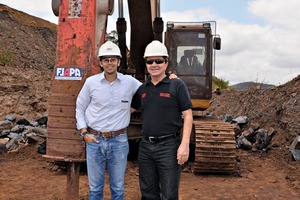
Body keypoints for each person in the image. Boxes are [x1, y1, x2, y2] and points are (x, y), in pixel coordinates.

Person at [75, 41, 142, 200]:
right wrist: (84, 132)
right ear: (101, 63)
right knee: (95, 189)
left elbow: (148, 91)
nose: (110, 63)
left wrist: (170, 78)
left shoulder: (129, 82)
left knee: (118, 188)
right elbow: (80, 107)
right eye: (106, 59)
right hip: (94, 141)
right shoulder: (91, 83)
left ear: (119, 62)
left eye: (113, 59)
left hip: (119, 141)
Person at [131, 40, 193, 200]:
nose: (154, 64)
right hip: (145, 147)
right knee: (148, 193)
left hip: (169, 147)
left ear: (166, 63)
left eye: (158, 61)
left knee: (169, 195)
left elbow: (188, 115)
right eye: (150, 61)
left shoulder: (176, 86)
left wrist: (184, 145)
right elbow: (128, 110)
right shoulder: (142, 89)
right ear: (146, 64)